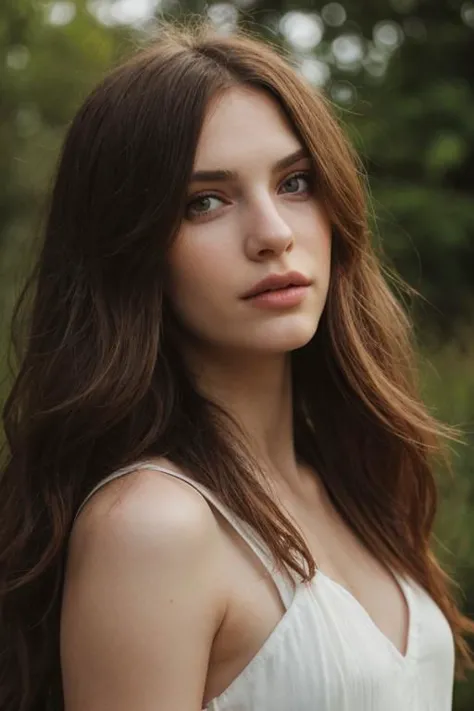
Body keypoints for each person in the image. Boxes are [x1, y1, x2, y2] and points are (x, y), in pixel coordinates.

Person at [0, 18, 472, 711]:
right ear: (130, 248)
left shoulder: (351, 480)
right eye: (206, 202)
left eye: (296, 182)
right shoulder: (153, 524)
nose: (274, 234)